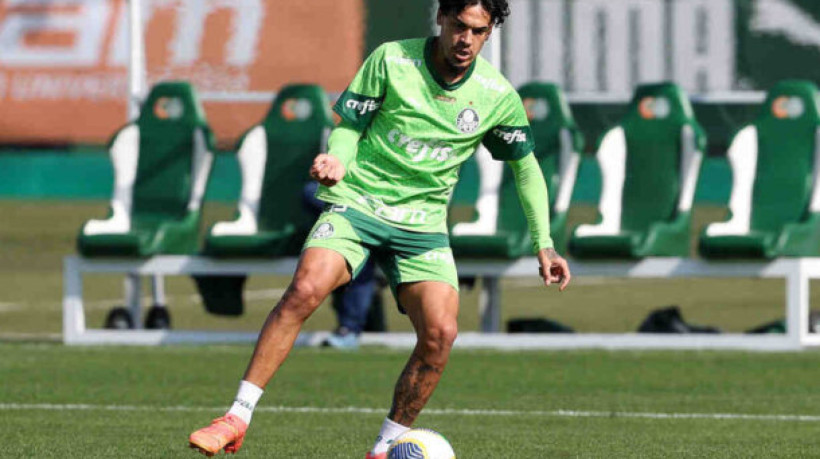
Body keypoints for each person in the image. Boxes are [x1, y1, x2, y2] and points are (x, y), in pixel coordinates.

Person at [188, 0, 571, 457]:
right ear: (441, 20)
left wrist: (544, 245)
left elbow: (526, 171)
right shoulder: (392, 59)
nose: (466, 40)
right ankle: (236, 416)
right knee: (306, 289)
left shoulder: (496, 94)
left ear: (489, 33)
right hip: (359, 203)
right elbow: (350, 127)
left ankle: (384, 448)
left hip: (423, 226)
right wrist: (338, 159)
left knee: (441, 334)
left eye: (479, 31)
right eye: (459, 26)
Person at [302, 180, 382, 349]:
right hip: (352, 200)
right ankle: (349, 329)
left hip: (387, 202)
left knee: (361, 255)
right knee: (312, 191)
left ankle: (350, 328)